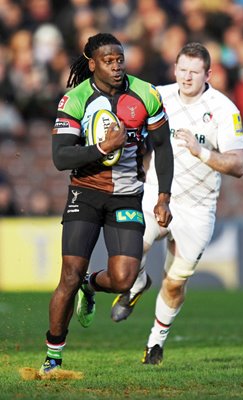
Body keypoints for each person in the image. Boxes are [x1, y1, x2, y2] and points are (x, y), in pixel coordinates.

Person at [40, 32, 173, 374]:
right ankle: (53, 356)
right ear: (93, 64)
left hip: (127, 195)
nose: (116, 67)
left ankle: (92, 283)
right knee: (68, 275)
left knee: (124, 278)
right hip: (84, 194)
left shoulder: (146, 94)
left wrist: (163, 196)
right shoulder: (75, 100)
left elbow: (163, 146)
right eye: (108, 61)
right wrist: (101, 149)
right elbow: (60, 157)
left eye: (120, 60)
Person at [110, 42, 243, 364]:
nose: (187, 78)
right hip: (158, 195)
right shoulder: (159, 96)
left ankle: (156, 341)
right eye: (182, 70)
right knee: (131, 250)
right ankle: (139, 281)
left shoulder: (224, 109)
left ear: (208, 74)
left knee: (175, 282)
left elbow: (239, 165)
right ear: (174, 69)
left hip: (198, 208)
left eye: (194, 72)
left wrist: (202, 152)